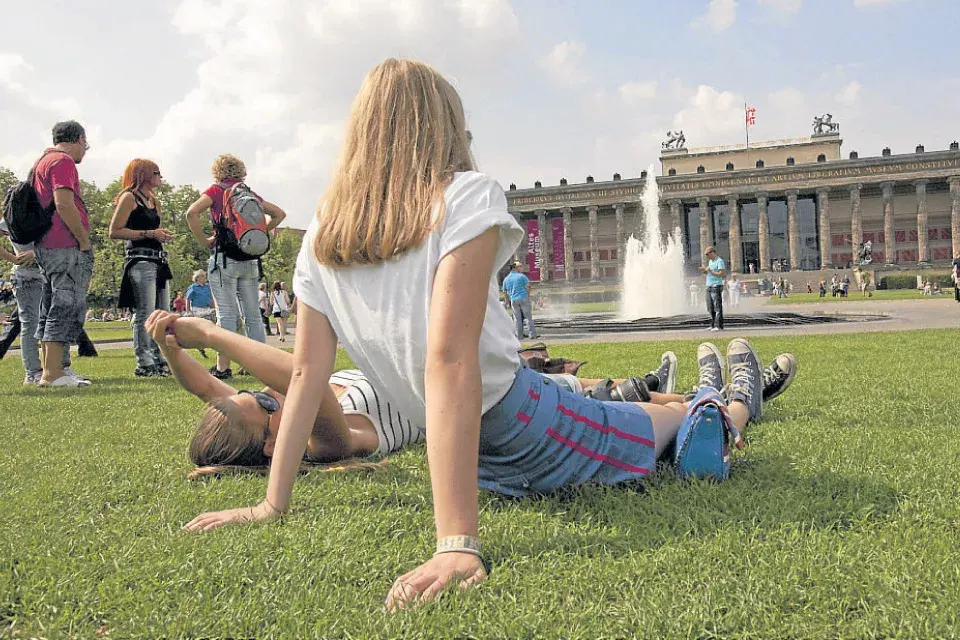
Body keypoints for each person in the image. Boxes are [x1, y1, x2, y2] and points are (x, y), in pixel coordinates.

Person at [181, 60, 775, 611]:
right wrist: (456, 541)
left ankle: (707, 396)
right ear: (442, 128)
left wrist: (272, 503)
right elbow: (447, 358)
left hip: (473, 447)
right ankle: (732, 402)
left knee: (621, 410)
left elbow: (307, 374)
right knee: (674, 425)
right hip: (515, 426)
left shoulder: (322, 239)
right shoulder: (466, 195)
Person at [185, 154, 286, 379]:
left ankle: (223, 367)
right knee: (252, 315)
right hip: (249, 260)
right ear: (241, 171)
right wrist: (254, 235)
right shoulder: (249, 194)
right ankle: (258, 365)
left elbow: (191, 212)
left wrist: (204, 240)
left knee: (227, 314)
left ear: (218, 171)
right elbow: (279, 214)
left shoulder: (216, 191)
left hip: (223, 258)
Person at [26, 121, 95, 387]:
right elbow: (63, 203)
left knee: (51, 305)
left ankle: (54, 369)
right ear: (79, 138)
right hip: (63, 244)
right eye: (85, 145)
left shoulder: (41, 161)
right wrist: (83, 240)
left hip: (46, 245)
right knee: (66, 305)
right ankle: (53, 373)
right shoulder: (62, 162)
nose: (84, 151)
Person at [0, 220, 96, 382]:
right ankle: (33, 372)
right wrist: (14, 258)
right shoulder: (15, 214)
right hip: (28, 276)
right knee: (31, 324)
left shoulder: (51, 211)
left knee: (58, 321)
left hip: (53, 273)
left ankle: (61, 367)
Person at [108, 159, 174, 377]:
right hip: (140, 260)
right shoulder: (129, 198)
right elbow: (115, 231)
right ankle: (144, 361)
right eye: (156, 172)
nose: (160, 177)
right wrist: (148, 234)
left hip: (158, 260)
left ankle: (158, 358)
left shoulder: (153, 201)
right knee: (145, 312)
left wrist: (160, 235)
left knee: (162, 313)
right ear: (144, 175)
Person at [501, 261, 537, 340]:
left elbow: (504, 291)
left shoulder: (506, 279)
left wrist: (507, 301)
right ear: (515, 268)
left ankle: (519, 336)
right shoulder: (521, 276)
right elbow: (528, 286)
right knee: (528, 317)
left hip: (513, 300)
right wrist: (527, 295)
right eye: (520, 266)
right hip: (523, 297)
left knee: (517, 319)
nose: (521, 268)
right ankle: (532, 334)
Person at [700, 246, 725, 331]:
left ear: (712, 252)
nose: (707, 256)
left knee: (717, 306)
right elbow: (709, 273)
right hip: (709, 285)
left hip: (716, 285)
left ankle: (719, 326)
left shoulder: (719, 261)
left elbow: (721, 274)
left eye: (707, 254)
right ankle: (713, 325)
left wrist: (710, 271)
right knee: (710, 306)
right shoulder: (710, 261)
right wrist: (705, 271)